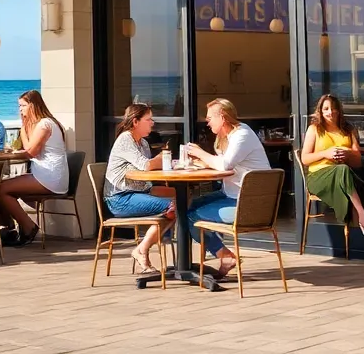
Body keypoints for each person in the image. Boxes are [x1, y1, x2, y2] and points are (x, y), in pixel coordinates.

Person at [184, 99, 271, 279]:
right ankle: (218, 253)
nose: (207, 122)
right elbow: (223, 165)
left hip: (249, 206)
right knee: (189, 206)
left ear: (222, 117)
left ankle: (225, 256)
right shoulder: (227, 137)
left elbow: (224, 165)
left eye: (209, 118)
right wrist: (201, 162)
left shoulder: (242, 135)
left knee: (191, 216)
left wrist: (200, 153)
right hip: (233, 195)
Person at [104, 103, 176, 274]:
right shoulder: (125, 139)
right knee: (174, 205)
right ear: (135, 122)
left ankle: (164, 237)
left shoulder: (142, 143)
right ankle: (142, 249)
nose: (152, 123)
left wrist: (165, 162)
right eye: (148, 119)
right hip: (120, 198)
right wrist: (162, 157)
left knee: (183, 197)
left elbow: (151, 169)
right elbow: (146, 166)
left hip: (140, 191)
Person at [0, 89, 70, 246]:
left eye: (22, 106)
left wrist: (23, 127)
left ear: (33, 105)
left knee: (1, 190)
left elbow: (30, 152)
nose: (20, 109)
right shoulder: (42, 123)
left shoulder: (45, 124)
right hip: (44, 175)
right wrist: (25, 126)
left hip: (50, 178)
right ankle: (12, 228)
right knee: (0, 188)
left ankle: (26, 227)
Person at [299, 94, 364, 235]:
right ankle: (363, 215)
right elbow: (305, 158)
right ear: (321, 111)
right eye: (326, 109)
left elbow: (358, 161)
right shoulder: (315, 129)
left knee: (355, 175)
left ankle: (358, 233)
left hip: (345, 174)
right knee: (342, 171)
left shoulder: (349, 130)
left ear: (339, 110)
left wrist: (347, 154)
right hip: (319, 176)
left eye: (333, 108)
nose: (330, 112)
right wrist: (326, 154)